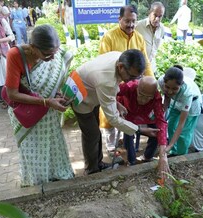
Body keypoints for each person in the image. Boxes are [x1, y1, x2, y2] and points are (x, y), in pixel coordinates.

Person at [4, 24, 74, 186]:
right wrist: (45, 101)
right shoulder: (15, 55)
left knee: (52, 145)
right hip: (26, 114)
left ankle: (56, 175)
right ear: (33, 47)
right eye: (47, 54)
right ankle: (37, 181)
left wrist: (56, 95)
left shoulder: (54, 55)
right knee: (33, 149)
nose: (52, 58)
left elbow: (54, 84)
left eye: (55, 53)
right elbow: (12, 94)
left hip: (49, 114)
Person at [72, 49, 159, 175]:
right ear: (121, 67)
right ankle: (92, 170)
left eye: (138, 77)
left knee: (95, 133)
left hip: (92, 92)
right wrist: (140, 130)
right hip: (81, 99)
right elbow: (113, 119)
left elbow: (109, 91)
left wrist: (116, 104)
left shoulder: (120, 57)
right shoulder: (106, 81)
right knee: (92, 135)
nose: (133, 80)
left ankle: (98, 163)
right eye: (131, 76)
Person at [99, 5, 154, 157]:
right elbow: (103, 62)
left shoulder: (139, 37)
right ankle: (111, 146)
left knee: (127, 114)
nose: (130, 25)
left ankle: (124, 139)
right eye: (127, 21)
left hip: (133, 88)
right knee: (110, 115)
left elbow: (146, 63)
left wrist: (151, 82)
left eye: (133, 21)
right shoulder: (109, 37)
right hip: (113, 84)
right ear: (119, 19)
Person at [117, 76, 170, 177]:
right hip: (129, 111)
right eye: (141, 94)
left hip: (146, 114)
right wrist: (117, 104)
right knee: (128, 132)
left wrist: (163, 154)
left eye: (148, 97)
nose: (143, 100)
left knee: (157, 131)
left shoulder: (156, 97)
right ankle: (131, 161)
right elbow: (109, 93)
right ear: (137, 88)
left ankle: (147, 156)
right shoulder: (128, 87)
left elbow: (161, 121)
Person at [159, 65, 202, 156]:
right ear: (164, 82)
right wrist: (163, 111)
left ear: (181, 85)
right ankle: (172, 151)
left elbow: (181, 123)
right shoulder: (161, 81)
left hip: (192, 104)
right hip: (176, 102)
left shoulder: (187, 93)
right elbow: (167, 95)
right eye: (168, 87)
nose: (170, 91)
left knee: (184, 133)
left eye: (174, 88)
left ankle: (181, 155)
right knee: (171, 126)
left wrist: (169, 145)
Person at [135, 2, 165, 73]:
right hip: (137, 68)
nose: (157, 19)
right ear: (149, 13)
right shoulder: (138, 26)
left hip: (151, 68)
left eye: (160, 16)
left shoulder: (162, 28)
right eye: (155, 15)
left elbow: (155, 48)